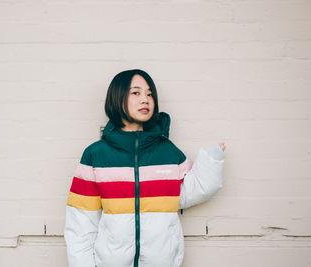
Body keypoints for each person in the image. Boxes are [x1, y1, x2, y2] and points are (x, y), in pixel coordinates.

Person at [64, 69, 226, 267]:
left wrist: (211, 159)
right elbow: (81, 222)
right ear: (117, 97)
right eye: (136, 93)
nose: (145, 99)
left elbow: (186, 194)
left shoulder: (167, 151)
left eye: (150, 94)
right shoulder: (96, 155)